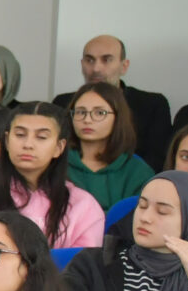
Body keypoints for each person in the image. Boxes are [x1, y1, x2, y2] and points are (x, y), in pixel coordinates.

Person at [0, 102, 107, 249]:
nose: (28, 144)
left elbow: (82, 268)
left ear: (59, 147)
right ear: (7, 141)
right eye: (20, 135)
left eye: (41, 137)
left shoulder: (83, 206)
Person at [53, 35, 173, 169]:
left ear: (124, 66)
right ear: (82, 65)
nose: (96, 68)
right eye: (90, 60)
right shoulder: (63, 103)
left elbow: (157, 159)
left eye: (107, 60)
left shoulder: (152, 105)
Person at [64, 81, 154, 210]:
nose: (87, 120)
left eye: (99, 113)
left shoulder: (138, 172)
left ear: (118, 118)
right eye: (80, 112)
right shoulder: (55, 163)